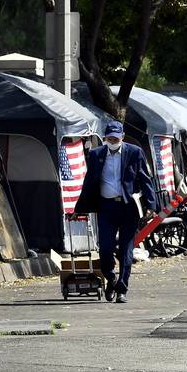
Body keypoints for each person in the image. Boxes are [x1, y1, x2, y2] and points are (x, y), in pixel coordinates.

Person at [75, 121, 156, 304]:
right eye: (109, 138)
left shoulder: (134, 152)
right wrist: (79, 209)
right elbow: (89, 182)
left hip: (128, 207)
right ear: (105, 138)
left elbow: (145, 178)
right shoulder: (96, 154)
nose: (112, 141)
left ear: (122, 137)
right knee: (105, 248)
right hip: (106, 207)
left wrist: (151, 204)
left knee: (127, 251)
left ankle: (122, 288)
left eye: (115, 138)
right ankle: (110, 277)